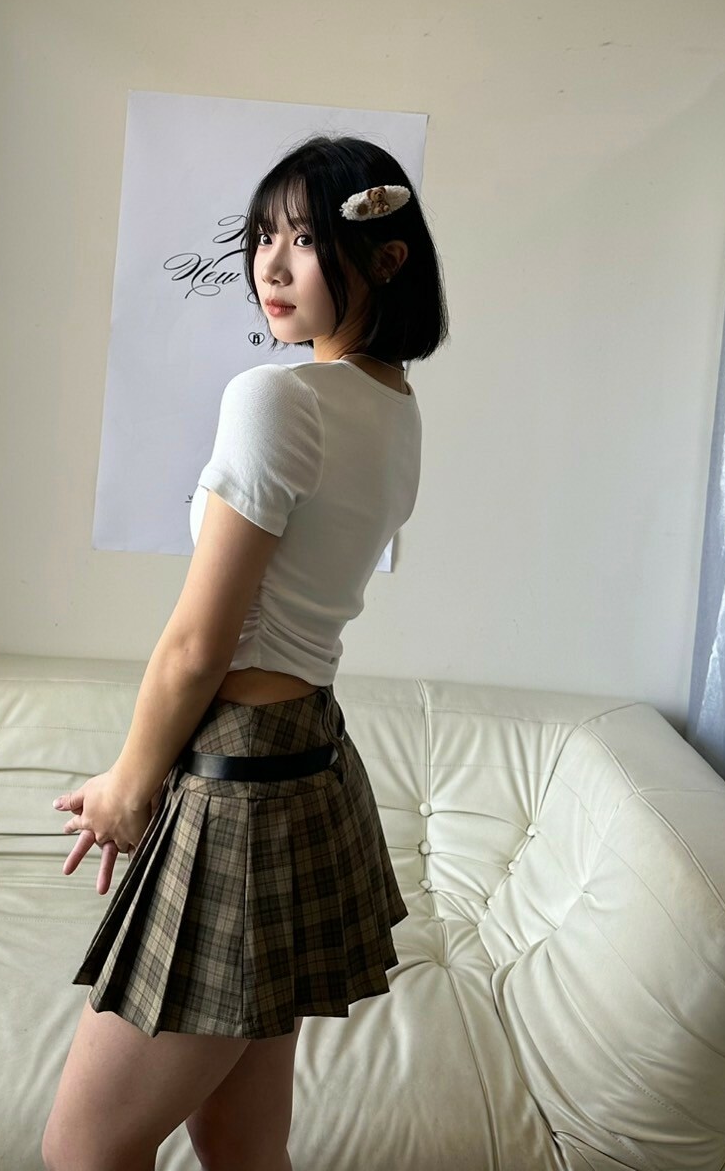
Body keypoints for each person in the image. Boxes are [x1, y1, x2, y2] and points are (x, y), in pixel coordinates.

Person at [40, 134, 448, 1171]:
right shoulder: (393, 407)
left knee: (83, 1149)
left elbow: (198, 642)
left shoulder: (278, 398)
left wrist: (128, 782)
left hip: (240, 786)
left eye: (303, 239)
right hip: (305, 765)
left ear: (386, 257)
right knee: (240, 1145)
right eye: (263, 236)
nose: (271, 264)